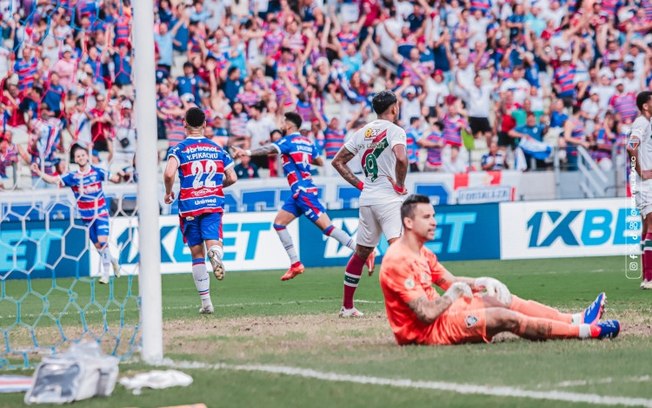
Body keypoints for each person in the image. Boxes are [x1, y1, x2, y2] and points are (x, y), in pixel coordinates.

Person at [379, 194, 620, 346]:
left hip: (443, 314)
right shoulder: (398, 261)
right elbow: (426, 314)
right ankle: (587, 331)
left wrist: (482, 281)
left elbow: (449, 280)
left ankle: (574, 318)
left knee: (501, 299)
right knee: (505, 318)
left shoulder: (422, 252)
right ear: (408, 223)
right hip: (427, 333)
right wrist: (453, 295)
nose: (434, 222)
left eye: (433, 215)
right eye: (427, 217)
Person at [232, 112, 371, 281]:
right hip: (299, 193)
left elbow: (268, 149)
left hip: (304, 192)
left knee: (328, 228)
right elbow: (319, 161)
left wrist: (245, 152)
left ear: (289, 125)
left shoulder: (287, 141)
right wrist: (302, 157)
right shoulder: (307, 142)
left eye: (283, 121)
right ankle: (295, 264)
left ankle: (364, 252)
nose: (281, 124)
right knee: (279, 223)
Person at [332, 90, 409, 317]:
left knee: (361, 253)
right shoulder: (396, 131)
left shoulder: (362, 131)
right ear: (394, 108)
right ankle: (405, 306)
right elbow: (402, 158)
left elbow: (338, 162)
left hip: (368, 199)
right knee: (399, 252)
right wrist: (400, 184)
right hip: (389, 199)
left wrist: (359, 185)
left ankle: (347, 307)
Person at [163, 107, 238, 314]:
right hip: (212, 202)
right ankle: (215, 252)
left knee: (196, 254)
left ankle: (206, 304)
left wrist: (168, 192)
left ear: (184, 124)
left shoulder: (179, 149)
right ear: (205, 125)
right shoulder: (217, 148)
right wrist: (213, 186)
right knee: (213, 240)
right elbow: (232, 177)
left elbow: (169, 174)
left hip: (189, 205)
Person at [30, 144, 122, 285]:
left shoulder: (97, 172)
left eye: (83, 155)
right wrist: (39, 172)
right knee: (99, 246)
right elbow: (53, 180)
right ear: (75, 159)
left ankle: (105, 274)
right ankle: (113, 261)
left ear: (87, 156)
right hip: (86, 217)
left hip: (101, 213)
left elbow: (115, 179)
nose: (81, 157)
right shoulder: (72, 177)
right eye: (78, 156)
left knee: (103, 242)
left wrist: (120, 176)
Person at [626, 91, 652, 290]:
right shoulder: (641, 123)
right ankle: (649, 278)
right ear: (645, 105)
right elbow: (631, 147)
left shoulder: (646, 123)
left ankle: (647, 277)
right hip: (646, 183)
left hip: (645, 182)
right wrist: (640, 170)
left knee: (647, 228)